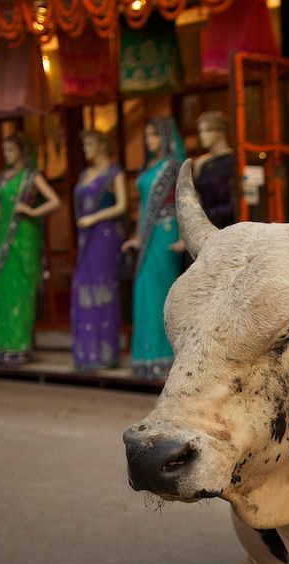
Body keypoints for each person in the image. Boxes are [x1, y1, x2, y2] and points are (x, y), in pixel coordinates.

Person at [0, 133, 62, 365]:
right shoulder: (3, 177)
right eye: (4, 150)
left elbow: (55, 200)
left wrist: (33, 212)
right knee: (2, 289)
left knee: (21, 291)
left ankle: (19, 347)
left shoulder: (31, 176)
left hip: (24, 239)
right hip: (5, 238)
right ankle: (3, 348)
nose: (7, 154)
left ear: (22, 152)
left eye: (11, 150)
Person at [122, 116, 186, 380]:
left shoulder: (173, 167)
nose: (149, 141)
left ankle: (168, 359)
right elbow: (142, 204)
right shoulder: (148, 167)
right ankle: (147, 360)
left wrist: (184, 237)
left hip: (166, 234)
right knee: (144, 293)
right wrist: (137, 236)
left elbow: (186, 197)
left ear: (166, 136)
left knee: (164, 293)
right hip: (149, 237)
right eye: (147, 136)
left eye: (154, 135)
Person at [71, 130, 128, 370]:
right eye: (84, 144)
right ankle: (87, 353)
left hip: (104, 235)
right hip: (87, 237)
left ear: (102, 145)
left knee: (103, 289)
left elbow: (122, 205)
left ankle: (105, 353)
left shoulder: (114, 173)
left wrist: (94, 218)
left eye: (90, 143)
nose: (86, 148)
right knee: (83, 287)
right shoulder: (85, 174)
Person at [192, 111, 236, 230]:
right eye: (200, 131)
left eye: (208, 130)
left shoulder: (233, 161)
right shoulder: (201, 163)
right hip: (204, 225)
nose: (202, 135)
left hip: (229, 225)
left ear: (221, 132)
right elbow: (197, 197)